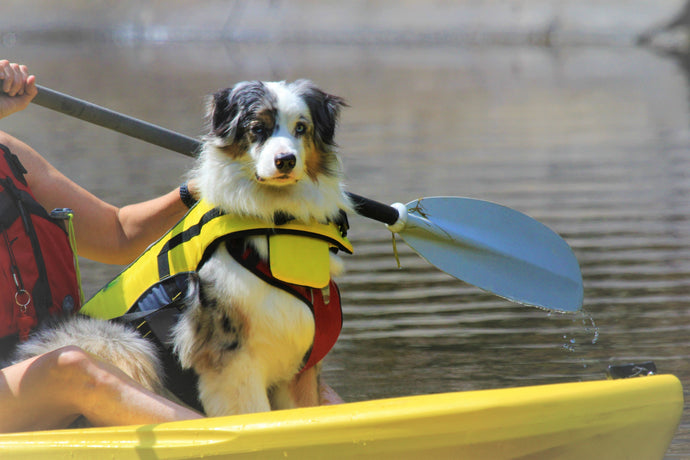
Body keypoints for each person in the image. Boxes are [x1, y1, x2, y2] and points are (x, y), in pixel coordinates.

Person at [0, 60, 342, 433]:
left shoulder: (8, 151)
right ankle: (235, 450)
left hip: (34, 359)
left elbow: (118, 234)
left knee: (292, 362)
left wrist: (203, 188)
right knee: (73, 367)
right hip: (34, 375)